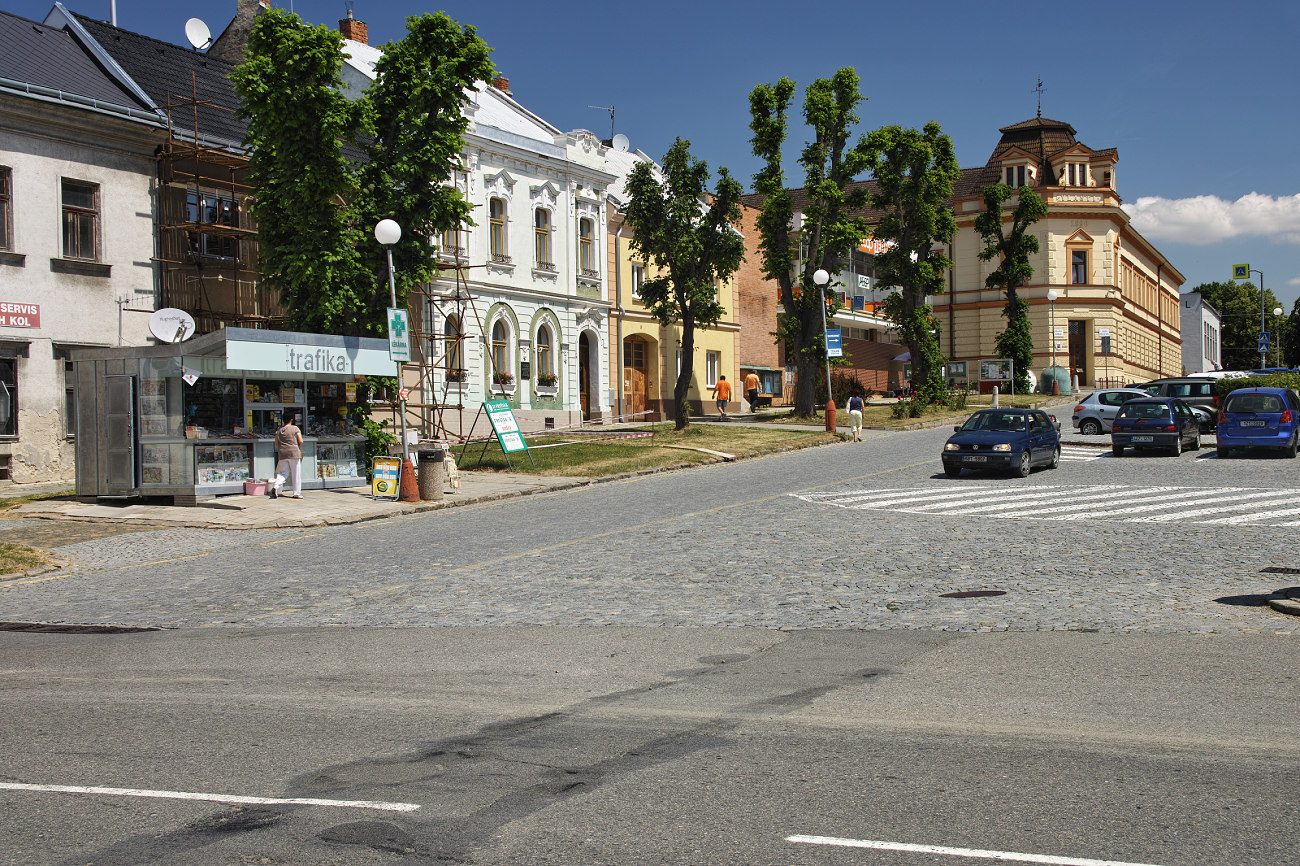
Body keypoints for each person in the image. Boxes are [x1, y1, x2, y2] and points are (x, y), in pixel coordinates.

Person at [270, 414, 304, 499]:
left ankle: (276, 486)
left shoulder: (279, 431)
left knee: (283, 473)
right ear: (291, 420)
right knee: (296, 474)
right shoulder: (295, 428)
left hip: (282, 453)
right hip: (294, 453)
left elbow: (276, 443)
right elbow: (301, 441)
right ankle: (296, 493)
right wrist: (296, 446)